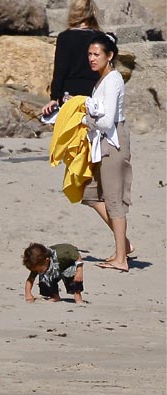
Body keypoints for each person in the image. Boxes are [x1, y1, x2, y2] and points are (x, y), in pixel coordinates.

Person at [81, 32, 133, 272]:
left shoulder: (112, 80)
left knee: (113, 200)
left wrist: (85, 120)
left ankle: (121, 259)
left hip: (112, 142)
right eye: (90, 54)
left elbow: (107, 120)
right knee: (91, 194)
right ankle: (124, 246)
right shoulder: (101, 79)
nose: (92, 58)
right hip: (100, 143)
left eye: (96, 54)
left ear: (109, 55)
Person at [42, 0, 101, 116]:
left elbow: (60, 70)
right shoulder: (100, 38)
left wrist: (54, 97)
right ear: (92, 13)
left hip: (69, 94)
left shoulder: (65, 37)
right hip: (94, 92)